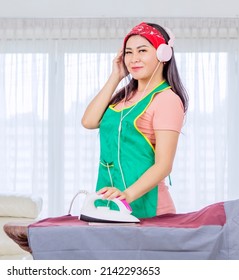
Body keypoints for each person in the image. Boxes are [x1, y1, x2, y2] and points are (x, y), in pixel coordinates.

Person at [81, 22, 188, 218]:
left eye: (142, 51)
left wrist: (126, 195)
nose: (134, 59)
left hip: (149, 209)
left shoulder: (167, 100)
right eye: (128, 52)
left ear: (163, 55)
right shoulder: (123, 98)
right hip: (111, 206)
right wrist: (116, 76)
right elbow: (88, 121)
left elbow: (164, 165)